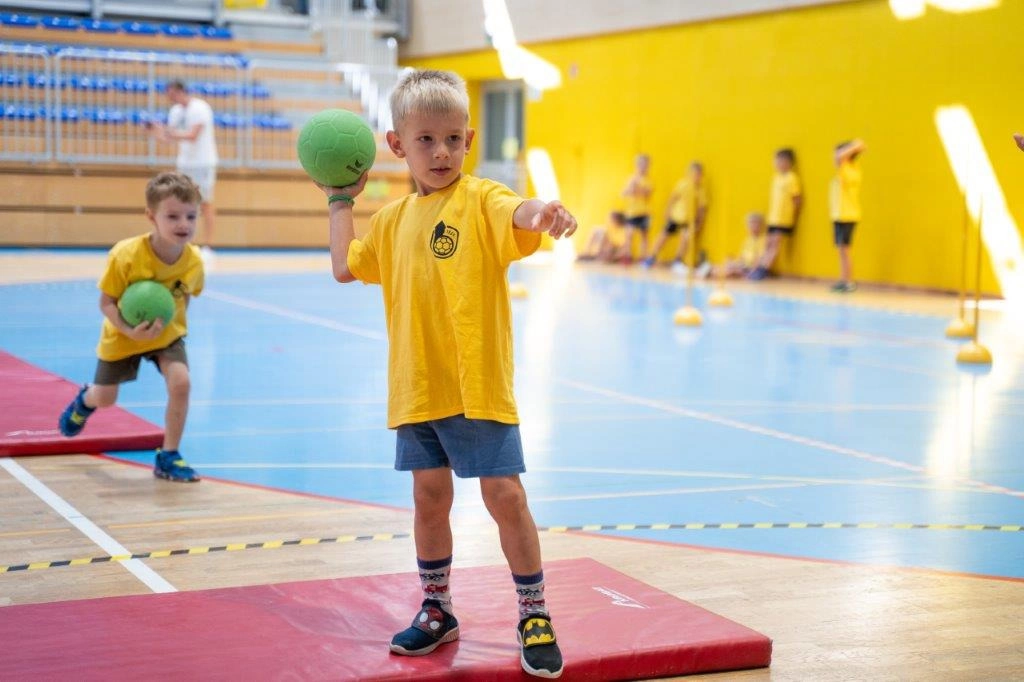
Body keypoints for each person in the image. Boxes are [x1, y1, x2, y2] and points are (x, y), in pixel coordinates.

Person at [318, 70, 575, 678]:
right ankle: (437, 609)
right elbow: (345, 267)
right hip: (417, 387)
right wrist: (339, 199)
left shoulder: (481, 199)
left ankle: (534, 613)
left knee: (504, 496)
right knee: (428, 498)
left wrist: (543, 213)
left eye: (453, 139)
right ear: (397, 144)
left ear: (469, 141)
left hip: (475, 384)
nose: (442, 152)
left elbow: (519, 211)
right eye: (427, 140)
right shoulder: (390, 221)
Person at [58, 172, 204, 483]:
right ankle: (85, 400)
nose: (184, 224)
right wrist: (129, 330)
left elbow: (186, 296)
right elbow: (106, 303)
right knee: (106, 398)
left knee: (181, 382)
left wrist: (175, 330)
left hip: (166, 334)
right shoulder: (125, 255)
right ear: (151, 216)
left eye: (191, 216)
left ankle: (169, 455)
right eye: (173, 216)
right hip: (122, 334)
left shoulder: (194, 260)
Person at [148, 80, 217, 257]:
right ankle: (185, 245)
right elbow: (170, 138)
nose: (170, 98)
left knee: (205, 202)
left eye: (172, 94)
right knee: (182, 204)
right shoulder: (175, 111)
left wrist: (169, 132)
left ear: (180, 91)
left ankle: (208, 246)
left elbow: (193, 135)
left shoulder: (200, 108)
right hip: (184, 163)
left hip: (203, 162)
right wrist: (156, 131)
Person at [643, 161, 709, 273]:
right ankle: (651, 257)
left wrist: (699, 222)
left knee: (685, 239)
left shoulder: (700, 189)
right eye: (695, 173)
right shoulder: (683, 184)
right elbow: (673, 198)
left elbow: (701, 208)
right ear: (690, 173)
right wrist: (667, 210)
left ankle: (677, 261)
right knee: (663, 237)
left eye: (699, 174)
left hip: (689, 220)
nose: (697, 176)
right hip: (676, 217)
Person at [749, 148, 801, 280]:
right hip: (773, 218)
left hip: (783, 219)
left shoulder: (792, 178)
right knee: (767, 244)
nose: (776, 164)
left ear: (787, 162)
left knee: (775, 245)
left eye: (779, 161)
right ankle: (758, 266)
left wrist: (793, 218)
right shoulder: (776, 178)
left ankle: (764, 269)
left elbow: (796, 199)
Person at [830, 139, 866, 292]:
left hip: (847, 215)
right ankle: (843, 279)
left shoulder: (850, 169)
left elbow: (839, 157)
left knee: (845, 251)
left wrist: (855, 146)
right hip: (839, 215)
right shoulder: (846, 169)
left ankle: (849, 281)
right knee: (841, 250)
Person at [614, 154, 652, 263]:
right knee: (629, 234)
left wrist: (637, 189)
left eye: (646, 165)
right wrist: (632, 187)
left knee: (644, 235)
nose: (644, 167)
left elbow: (647, 194)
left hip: (644, 211)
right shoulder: (631, 179)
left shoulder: (648, 180)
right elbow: (623, 193)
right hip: (632, 212)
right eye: (641, 165)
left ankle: (643, 257)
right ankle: (627, 256)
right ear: (637, 165)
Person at [717, 212, 767, 278]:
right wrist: (733, 261)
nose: (751, 226)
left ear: (760, 225)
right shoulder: (747, 240)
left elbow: (760, 259)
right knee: (726, 262)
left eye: (754, 223)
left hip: (750, 268)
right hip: (743, 266)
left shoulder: (763, 240)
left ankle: (720, 273)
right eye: (749, 224)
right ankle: (714, 271)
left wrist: (752, 271)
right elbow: (741, 258)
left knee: (729, 270)